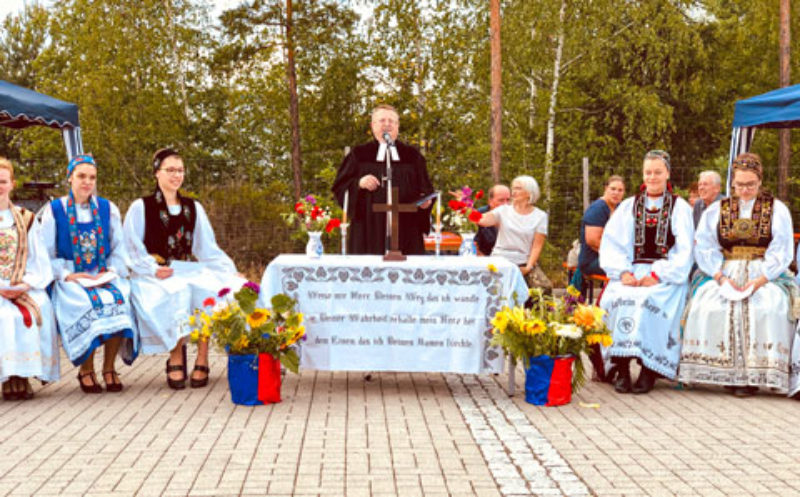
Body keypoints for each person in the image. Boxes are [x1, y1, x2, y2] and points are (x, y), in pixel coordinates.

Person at [124, 148, 245, 390]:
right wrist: (151, 268)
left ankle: (202, 356)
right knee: (175, 293)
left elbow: (207, 248)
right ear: (157, 173)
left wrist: (229, 271)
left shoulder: (193, 208)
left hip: (187, 269)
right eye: (170, 170)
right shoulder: (142, 207)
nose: (176, 175)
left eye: (180, 170)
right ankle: (176, 354)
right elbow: (131, 247)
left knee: (210, 290)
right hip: (158, 272)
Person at [680, 153, 798, 397]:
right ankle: (726, 374)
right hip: (726, 269)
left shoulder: (776, 209)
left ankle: (756, 376)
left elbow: (782, 249)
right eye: (740, 184)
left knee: (768, 306)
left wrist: (761, 279)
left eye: (751, 185)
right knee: (709, 304)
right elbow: (704, 245)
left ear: (760, 182)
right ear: (732, 183)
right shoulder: (717, 210)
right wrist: (720, 277)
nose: (745, 190)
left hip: (764, 270)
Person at [40, 154, 138, 393]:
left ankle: (109, 368)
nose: (87, 182)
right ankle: (86, 370)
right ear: (70, 178)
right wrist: (65, 275)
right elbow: (44, 253)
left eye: (92, 177)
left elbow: (118, 247)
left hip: (102, 273)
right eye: (81, 176)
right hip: (70, 276)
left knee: (118, 298)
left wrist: (112, 271)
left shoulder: (107, 208)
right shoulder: (55, 210)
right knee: (87, 303)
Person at [599, 150, 694, 394]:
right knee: (618, 298)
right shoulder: (629, 206)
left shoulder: (679, 207)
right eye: (648, 172)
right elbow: (613, 242)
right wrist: (622, 273)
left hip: (664, 274)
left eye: (657, 172)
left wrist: (658, 275)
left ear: (667, 174)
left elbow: (684, 251)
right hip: (632, 272)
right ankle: (621, 366)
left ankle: (649, 369)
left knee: (652, 302)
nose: (652, 177)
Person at [332, 104, 434, 255]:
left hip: (406, 227)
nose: (387, 124)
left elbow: (426, 191)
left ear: (398, 126)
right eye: (382, 120)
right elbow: (340, 187)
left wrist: (426, 203)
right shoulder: (359, 155)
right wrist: (359, 183)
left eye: (391, 121)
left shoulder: (412, 156)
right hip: (367, 227)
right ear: (373, 125)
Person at [0, 159, 58, 400]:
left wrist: (24, 285)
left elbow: (40, 261)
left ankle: (21, 376)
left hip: (21, 284)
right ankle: (7, 377)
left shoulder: (27, 219)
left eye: (3, 181)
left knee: (38, 308)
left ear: (12, 184)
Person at [477, 176, 549, 290]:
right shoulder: (503, 210)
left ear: (529, 192)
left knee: (544, 288)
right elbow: (482, 220)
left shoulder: (540, 216)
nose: (513, 192)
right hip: (499, 261)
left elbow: (537, 247)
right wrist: (465, 206)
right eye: (513, 188)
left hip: (523, 263)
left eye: (518, 188)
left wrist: (528, 268)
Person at [571, 175, 625, 289]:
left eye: (620, 190)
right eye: (613, 189)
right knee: (626, 270)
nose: (616, 193)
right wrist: (618, 255)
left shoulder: (620, 208)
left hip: (610, 256)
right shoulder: (597, 209)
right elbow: (593, 241)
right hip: (591, 260)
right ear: (606, 189)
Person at [475, 184, 510, 256]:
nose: (505, 204)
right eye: (501, 200)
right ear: (490, 201)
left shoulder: (514, 214)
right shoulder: (480, 214)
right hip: (484, 259)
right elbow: (474, 244)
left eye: (508, 200)